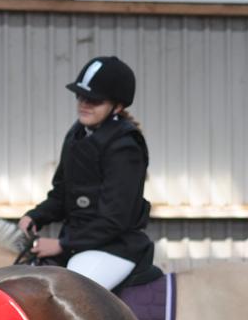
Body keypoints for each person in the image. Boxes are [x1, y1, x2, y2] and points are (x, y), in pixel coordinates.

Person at [19, 55, 156, 291]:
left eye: (95, 100)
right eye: (81, 96)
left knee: (70, 291)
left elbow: (115, 219)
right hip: (79, 244)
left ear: (117, 106)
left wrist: (62, 244)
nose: (84, 104)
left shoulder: (126, 146)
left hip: (114, 249)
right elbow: (62, 194)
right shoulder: (77, 135)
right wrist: (35, 216)